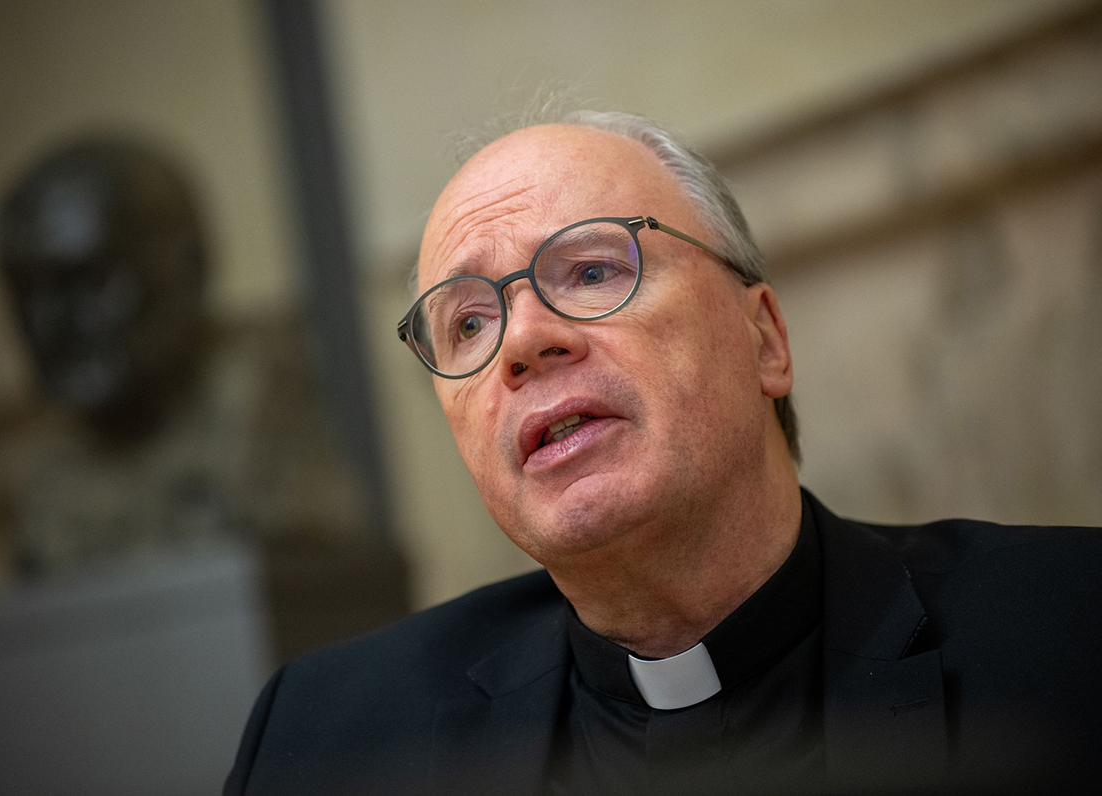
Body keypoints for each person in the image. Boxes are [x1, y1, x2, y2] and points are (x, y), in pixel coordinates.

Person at [224, 110, 1102, 795]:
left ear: (763, 340)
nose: (524, 340)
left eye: (594, 271)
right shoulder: (324, 741)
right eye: (470, 322)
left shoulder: (1065, 637)